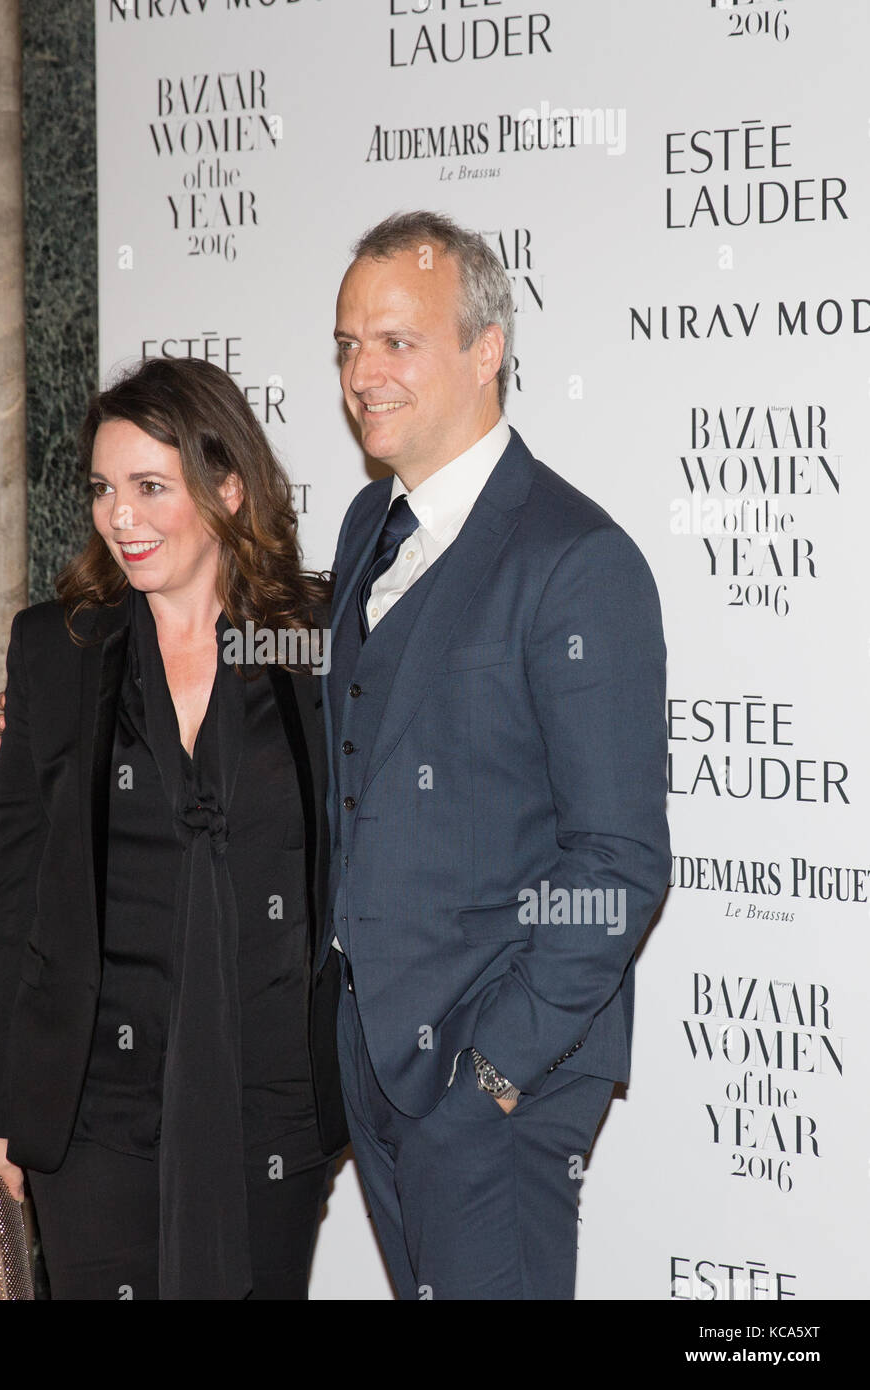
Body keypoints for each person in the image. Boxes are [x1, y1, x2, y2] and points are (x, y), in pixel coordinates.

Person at [0, 355, 346, 1300]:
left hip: (272, 1098)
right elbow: (6, 895)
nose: (119, 517)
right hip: (93, 1100)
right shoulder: (59, 650)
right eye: (103, 489)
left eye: (150, 487)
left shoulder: (320, 642)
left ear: (229, 489)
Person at [323, 210, 671, 1299]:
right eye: (345, 345)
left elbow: (616, 863)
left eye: (394, 341)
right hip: (373, 1058)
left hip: (494, 1085)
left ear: (486, 350)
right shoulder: (360, 530)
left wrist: (493, 1069)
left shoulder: (577, 561)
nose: (361, 373)